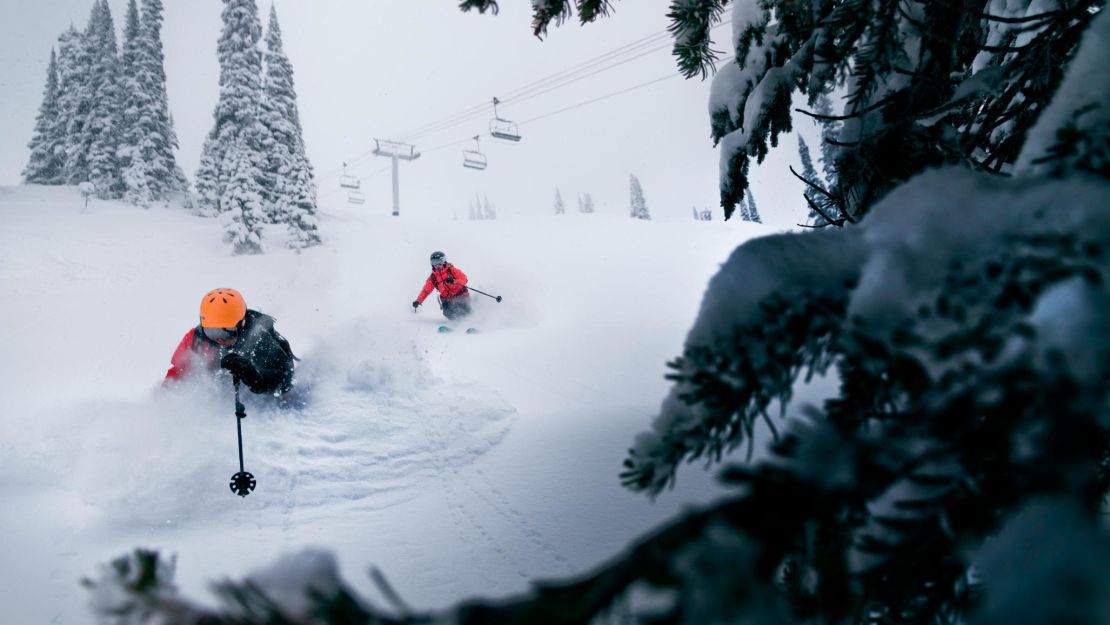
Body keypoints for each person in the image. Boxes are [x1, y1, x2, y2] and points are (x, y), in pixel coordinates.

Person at [164, 288, 296, 395]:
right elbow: (178, 372)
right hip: (217, 395)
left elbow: (284, 382)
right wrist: (165, 398)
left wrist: (253, 377)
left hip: (255, 404)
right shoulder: (197, 338)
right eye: (212, 331)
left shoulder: (259, 338)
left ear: (242, 324)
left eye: (226, 332)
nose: (219, 339)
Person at [412, 251, 471, 320]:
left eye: (439, 262)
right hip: (447, 299)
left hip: (460, 295)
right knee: (448, 313)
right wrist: (419, 300)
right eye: (434, 263)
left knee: (465, 311)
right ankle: (457, 324)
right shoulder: (433, 277)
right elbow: (426, 291)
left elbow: (464, 279)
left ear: (443, 261)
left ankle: (469, 321)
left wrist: (454, 281)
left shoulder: (452, 270)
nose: (437, 265)